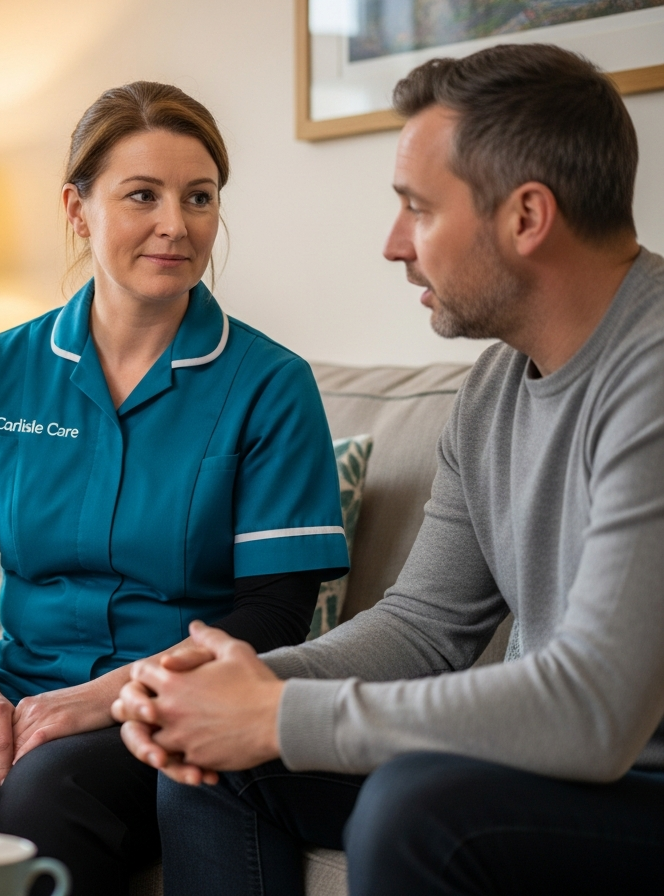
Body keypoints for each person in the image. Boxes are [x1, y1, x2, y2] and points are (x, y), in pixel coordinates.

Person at [113, 44, 664, 895]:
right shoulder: (493, 391)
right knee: (216, 757)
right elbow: (421, 627)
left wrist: (281, 714)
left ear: (526, 217)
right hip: (571, 770)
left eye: (417, 208)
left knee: (417, 806)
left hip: (634, 779)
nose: (393, 244)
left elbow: (593, 711)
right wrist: (236, 691)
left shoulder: (653, 373)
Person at [0, 81, 350, 896]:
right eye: (142, 196)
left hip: (166, 702)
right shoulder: (1, 370)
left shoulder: (270, 386)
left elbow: (273, 616)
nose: (175, 225)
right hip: (15, 680)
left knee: (46, 794)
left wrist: (98, 701)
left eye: (199, 198)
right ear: (79, 210)